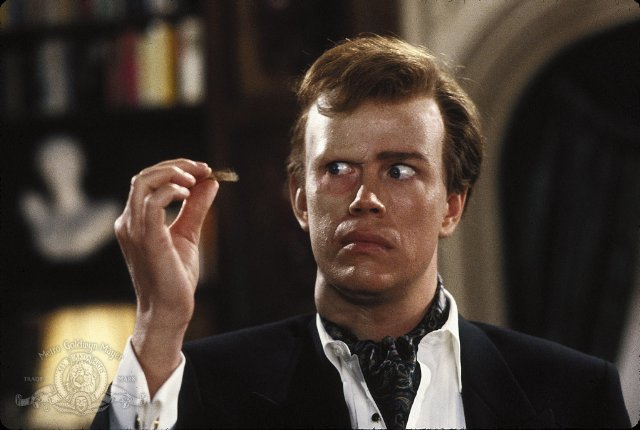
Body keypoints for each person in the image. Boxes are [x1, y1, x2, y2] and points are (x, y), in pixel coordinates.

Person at [91, 36, 631, 429]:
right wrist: (159, 322)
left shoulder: (576, 393)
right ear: (301, 201)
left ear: (451, 206)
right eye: (337, 169)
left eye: (399, 170)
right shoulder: (204, 385)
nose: (364, 198)